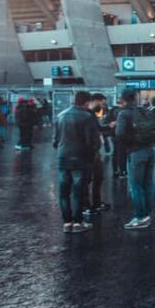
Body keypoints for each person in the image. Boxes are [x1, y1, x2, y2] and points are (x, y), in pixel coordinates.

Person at [53, 91, 100, 233]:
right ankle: (78, 222)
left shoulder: (60, 115)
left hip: (63, 158)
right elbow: (93, 142)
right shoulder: (87, 117)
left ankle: (67, 223)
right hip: (81, 159)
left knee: (64, 192)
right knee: (79, 192)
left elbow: (55, 141)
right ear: (86, 102)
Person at [116, 89, 155, 230]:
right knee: (147, 184)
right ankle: (147, 214)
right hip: (150, 151)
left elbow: (120, 134)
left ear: (123, 99)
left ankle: (140, 217)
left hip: (135, 153)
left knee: (136, 186)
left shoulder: (124, 114)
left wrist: (131, 144)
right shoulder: (146, 111)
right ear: (135, 98)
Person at [85, 95, 110, 215]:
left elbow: (98, 128)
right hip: (90, 152)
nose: (101, 105)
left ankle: (95, 203)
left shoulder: (90, 114)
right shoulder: (87, 115)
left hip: (93, 151)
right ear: (94, 101)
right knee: (90, 178)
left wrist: (107, 127)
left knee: (97, 178)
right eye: (101, 102)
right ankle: (89, 205)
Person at [105, 99, 128, 177]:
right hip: (122, 134)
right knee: (122, 153)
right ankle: (123, 171)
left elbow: (106, 121)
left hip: (113, 134)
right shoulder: (123, 111)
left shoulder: (112, 110)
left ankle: (115, 171)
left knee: (115, 152)